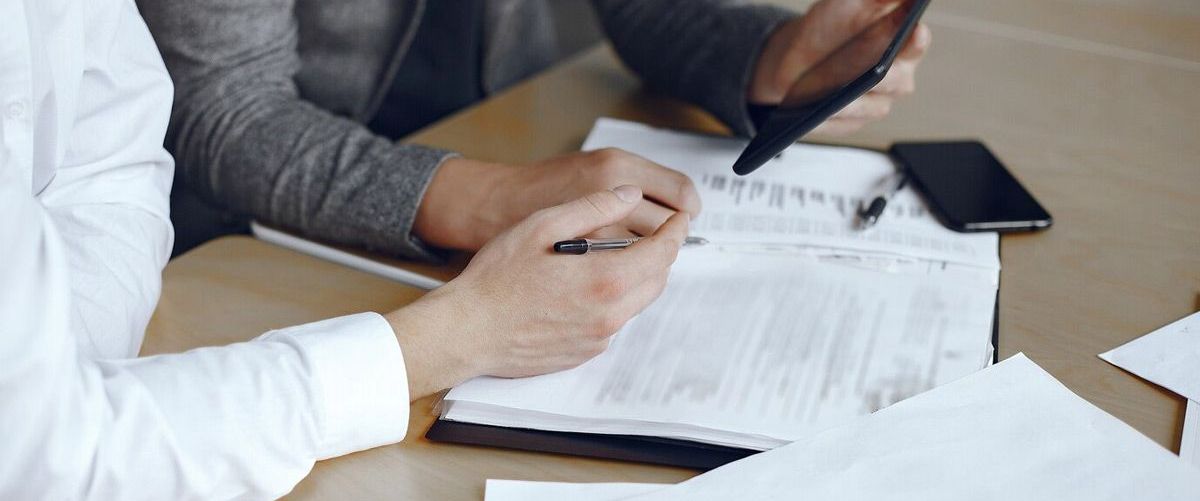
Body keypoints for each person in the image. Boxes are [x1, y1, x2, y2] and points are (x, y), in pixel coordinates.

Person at [0, 0, 685, 498]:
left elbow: (108, 157)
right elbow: (56, 452)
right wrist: (455, 333)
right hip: (268, 249)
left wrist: (59, 353)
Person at [138, 0, 931, 256]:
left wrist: (767, 60)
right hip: (261, 234)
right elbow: (222, 108)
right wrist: (488, 199)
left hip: (512, 136)